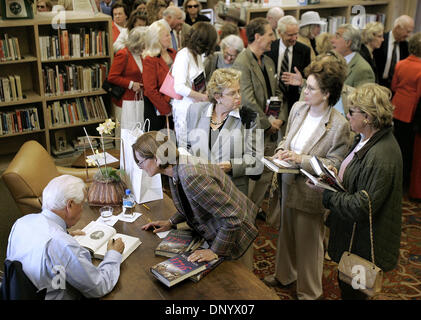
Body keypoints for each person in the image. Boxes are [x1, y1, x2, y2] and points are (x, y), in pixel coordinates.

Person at [263, 55, 351, 300]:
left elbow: (334, 165)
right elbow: (286, 139)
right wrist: (281, 150)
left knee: (310, 245)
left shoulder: (339, 125)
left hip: (311, 192)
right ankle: (284, 275)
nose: (304, 90)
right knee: (286, 234)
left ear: (326, 94)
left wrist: (299, 159)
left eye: (311, 88)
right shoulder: (298, 108)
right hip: (286, 184)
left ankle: (309, 292)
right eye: (306, 85)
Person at [319, 83, 403, 300]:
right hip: (354, 238)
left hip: (365, 245)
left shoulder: (382, 155)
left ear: (367, 116)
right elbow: (356, 180)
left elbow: (362, 207)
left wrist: (329, 195)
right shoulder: (366, 138)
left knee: (355, 295)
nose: (347, 115)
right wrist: (333, 178)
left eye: (351, 112)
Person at [134, 131, 259, 270]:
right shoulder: (176, 166)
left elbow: (233, 217)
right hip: (227, 225)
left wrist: (214, 251)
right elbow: (191, 202)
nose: (139, 166)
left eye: (140, 161)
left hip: (238, 232)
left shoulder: (190, 176)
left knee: (243, 280)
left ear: (156, 158)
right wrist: (170, 222)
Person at [6, 175, 125, 300]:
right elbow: (99, 286)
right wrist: (113, 254)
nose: (82, 209)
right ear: (70, 205)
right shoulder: (62, 243)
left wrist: (65, 234)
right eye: (82, 204)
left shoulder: (21, 223)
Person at [233, 17, 284, 214]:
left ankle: (252, 211)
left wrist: (277, 118)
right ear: (257, 37)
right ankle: (245, 214)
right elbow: (247, 100)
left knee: (266, 174)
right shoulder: (242, 62)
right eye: (270, 34)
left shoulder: (269, 61)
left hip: (271, 127)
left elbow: (277, 92)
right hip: (254, 129)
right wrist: (267, 124)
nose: (274, 38)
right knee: (254, 174)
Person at [184, 68, 262, 195]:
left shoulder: (250, 118)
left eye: (239, 91)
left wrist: (231, 166)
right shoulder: (195, 111)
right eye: (232, 93)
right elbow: (186, 146)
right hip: (198, 187)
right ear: (217, 97)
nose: (238, 96)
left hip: (231, 190)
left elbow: (256, 161)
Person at [172, 22, 217, 145]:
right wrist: (202, 96)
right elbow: (179, 87)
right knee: (185, 148)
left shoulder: (197, 56)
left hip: (197, 108)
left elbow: (199, 80)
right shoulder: (183, 55)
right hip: (184, 110)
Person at [391, 32, 421, 196]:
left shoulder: (401, 63)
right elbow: (418, 96)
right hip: (410, 111)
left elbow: (394, 86)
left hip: (396, 106)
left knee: (396, 145)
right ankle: (403, 183)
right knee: (407, 151)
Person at [266, 15, 311, 115]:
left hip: (294, 102)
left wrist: (301, 81)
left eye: (296, 34)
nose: (294, 38)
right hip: (272, 100)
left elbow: (308, 79)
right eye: (290, 35)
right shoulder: (269, 49)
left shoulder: (304, 51)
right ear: (279, 33)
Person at [107, 27, 146, 137]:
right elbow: (112, 77)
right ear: (138, 42)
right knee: (126, 133)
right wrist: (131, 84)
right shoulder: (124, 54)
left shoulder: (141, 54)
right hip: (125, 101)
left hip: (139, 99)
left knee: (138, 132)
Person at [142, 21, 177, 131]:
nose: (170, 38)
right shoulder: (150, 60)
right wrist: (166, 109)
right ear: (157, 39)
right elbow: (150, 90)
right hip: (158, 110)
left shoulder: (174, 53)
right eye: (166, 35)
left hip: (175, 105)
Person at [373, 15, 414, 88]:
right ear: (397, 27)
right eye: (407, 31)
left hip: (395, 87)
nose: (409, 35)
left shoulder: (406, 46)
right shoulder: (380, 40)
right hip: (377, 84)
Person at [331, 23, 375, 88]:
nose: (332, 40)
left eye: (337, 37)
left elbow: (363, 97)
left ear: (348, 42)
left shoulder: (363, 70)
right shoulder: (333, 60)